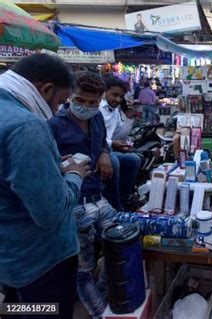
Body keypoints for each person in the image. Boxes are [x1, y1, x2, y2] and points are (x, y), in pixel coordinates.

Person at [0, 53, 90, 318]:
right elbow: (50, 213)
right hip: (42, 261)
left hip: (10, 257)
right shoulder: (27, 127)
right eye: (60, 103)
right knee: (46, 311)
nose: (57, 112)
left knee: (18, 308)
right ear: (46, 89)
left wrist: (50, 166)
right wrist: (74, 176)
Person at [48, 72, 115, 317]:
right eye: (80, 101)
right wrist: (63, 167)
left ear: (100, 101)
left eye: (92, 103)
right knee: (83, 267)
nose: (86, 107)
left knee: (119, 249)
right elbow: (45, 164)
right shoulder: (54, 125)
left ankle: (100, 298)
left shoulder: (97, 119)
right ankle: (100, 313)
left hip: (99, 197)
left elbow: (103, 143)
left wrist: (105, 153)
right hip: (75, 204)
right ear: (70, 97)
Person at [100, 76, 141, 211]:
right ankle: (114, 205)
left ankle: (123, 200)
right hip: (97, 150)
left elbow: (119, 134)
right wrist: (112, 144)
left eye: (120, 96)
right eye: (114, 95)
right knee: (114, 162)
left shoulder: (116, 110)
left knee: (133, 159)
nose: (117, 100)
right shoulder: (99, 108)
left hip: (108, 148)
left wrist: (129, 118)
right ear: (105, 91)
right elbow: (95, 137)